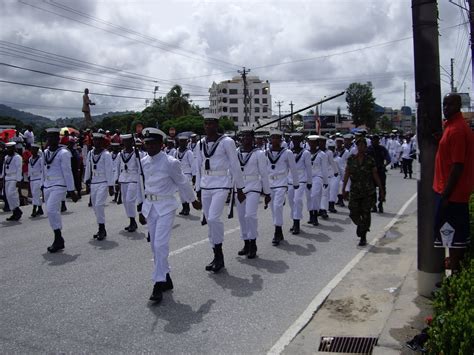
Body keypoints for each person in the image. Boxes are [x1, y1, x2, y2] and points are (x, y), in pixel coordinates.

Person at [140, 127, 201, 303]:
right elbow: (143, 185)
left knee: (160, 244)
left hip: (166, 206)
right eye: (147, 144)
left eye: (153, 143)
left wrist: (192, 200)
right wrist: (141, 209)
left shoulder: (171, 162)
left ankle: (158, 283)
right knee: (154, 246)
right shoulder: (143, 161)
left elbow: (183, 182)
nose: (149, 147)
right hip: (150, 207)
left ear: (161, 144)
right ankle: (166, 278)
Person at [194, 115, 245, 273]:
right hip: (206, 184)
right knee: (210, 221)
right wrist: (197, 189)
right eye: (206, 123)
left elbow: (235, 165)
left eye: (211, 123)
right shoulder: (199, 143)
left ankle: (220, 253)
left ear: (217, 125)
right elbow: (198, 167)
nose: (208, 126)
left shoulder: (227, 142)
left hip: (222, 184)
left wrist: (240, 187)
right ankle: (216, 254)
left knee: (214, 218)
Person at [433, 93, 474, 273]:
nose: (445, 108)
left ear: (458, 106)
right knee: (449, 235)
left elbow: (457, 166)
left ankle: (455, 274)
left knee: (454, 236)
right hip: (449, 192)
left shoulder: (457, 130)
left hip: (452, 195)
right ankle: (453, 269)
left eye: (449, 105)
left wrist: (446, 196)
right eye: (444, 104)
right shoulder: (451, 127)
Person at [342, 138, 385, 246]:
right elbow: (347, 174)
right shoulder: (351, 159)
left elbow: (375, 175)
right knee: (353, 211)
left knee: (366, 214)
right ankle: (360, 225)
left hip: (368, 192)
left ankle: (363, 237)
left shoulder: (370, 159)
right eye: (359, 145)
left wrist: (381, 189)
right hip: (355, 191)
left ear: (366, 147)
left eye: (363, 145)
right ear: (356, 147)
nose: (361, 147)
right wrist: (343, 189)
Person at [236, 129, 271, 258]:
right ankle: (246, 242)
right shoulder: (236, 152)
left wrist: (267, 193)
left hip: (254, 186)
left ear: (253, 138)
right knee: (241, 217)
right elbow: (233, 171)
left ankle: (253, 242)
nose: (245, 139)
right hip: (240, 187)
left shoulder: (259, 154)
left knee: (250, 215)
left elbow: (264, 174)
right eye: (243, 136)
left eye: (248, 136)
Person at [42, 128, 78, 253]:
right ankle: (58, 238)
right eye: (48, 137)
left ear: (58, 139)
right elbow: (44, 170)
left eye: (53, 137)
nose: (50, 140)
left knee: (52, 210)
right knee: (50, 211)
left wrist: (71, 190)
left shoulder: (64, 153)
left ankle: (58, 238)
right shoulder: (45, 152)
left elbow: (68, 172)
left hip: (59, 184)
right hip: (48, 185)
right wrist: (43, 184)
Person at [266, 130, 299, 245]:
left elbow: (293, 169)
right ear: (270, 140)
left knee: (277, 206)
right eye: (273, 138)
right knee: (272, 208)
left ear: (281, 140)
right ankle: (279, 229)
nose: (275, 140)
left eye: (277, 138)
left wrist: (295, 183)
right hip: (270, 183)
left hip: (281, 182)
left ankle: (277, 231)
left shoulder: (287, 152)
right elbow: (263, 170)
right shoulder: (265, 152)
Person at [83, 132, 115, 240]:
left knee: (99, 205)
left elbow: (109, 170)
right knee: (95, 207)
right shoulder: (90, 153)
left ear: (102, 142)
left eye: (98, 140)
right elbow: (88, 167)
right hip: (94, 182)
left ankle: (102, 228)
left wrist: (111, 186)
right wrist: (86, 180)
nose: (96, 142)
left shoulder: (106, 154)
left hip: (103, 181)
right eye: (95, 140)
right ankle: (100, 227)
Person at [115, 134, 141, 232]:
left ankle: (133, 220)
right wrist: (116, 181)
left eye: (128, 141)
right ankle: (131, 220)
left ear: (132, 141)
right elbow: (117, 168)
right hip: (123, 179)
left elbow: (140, 168)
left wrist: (142, 181)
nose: (126, 143)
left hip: (134, 179)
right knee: (125, 201)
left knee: (130, 200)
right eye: (124, 141)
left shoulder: (137, 153)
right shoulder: (120, 154)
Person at [287, 133, 311, 235]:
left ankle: (297, 223)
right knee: (291, 202)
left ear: (301, 141)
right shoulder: (288, 152)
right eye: (294, 140)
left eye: (297, 140)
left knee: (297, 200)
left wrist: (309, 181)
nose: (295, 141)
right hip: (290, 179)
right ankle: (294, 221)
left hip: (301, 180)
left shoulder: (305, 153)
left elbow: (308, 168)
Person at [307, 135, 328, 226]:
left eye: (314, 142)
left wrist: (325, 181)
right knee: (309, 197)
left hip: (317, 177)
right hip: (307, 178)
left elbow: (324, 169)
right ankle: (311, 215)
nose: (312, 144)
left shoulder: (322, 154)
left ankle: (315, 215)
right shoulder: (305, 153)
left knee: (315, 195)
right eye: (310, 142)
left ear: (317, 143)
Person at [367, 135, 391, 213]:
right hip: (371, 172)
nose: (375, 142)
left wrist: (384, 165)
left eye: (376, 140)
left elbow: (388, 159)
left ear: (379, 141)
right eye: (374, 140)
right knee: (371, 189)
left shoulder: (382, 149)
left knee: (382, 188)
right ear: (371, 141)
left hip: (380, 171)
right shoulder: (368, 149)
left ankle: (380, 204)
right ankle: (373, 205)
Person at [0, 142, 23, 221]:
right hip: (7, 178)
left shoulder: (17, 157)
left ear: (14, 148)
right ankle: (14, 212)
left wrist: (18, 180)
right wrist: (2, 177)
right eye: (8, 148)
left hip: (14, 178)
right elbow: (4, 168)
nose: (8, 150)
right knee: (8, 196)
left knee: (12, 195)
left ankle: (17, 211)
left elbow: (19, 169)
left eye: (10, 148)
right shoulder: (6, 157)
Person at [174, 136, 195, 216]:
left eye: (184, 141)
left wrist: (194, 176)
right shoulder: (176, 151)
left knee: (186, 192)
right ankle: (184, 207)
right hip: (179, 174)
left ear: (186, 142)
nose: (182, 143)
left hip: (187, 174)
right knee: (181, 193)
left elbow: (192, 164)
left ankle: (187, 208)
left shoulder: (189, 152)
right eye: (181, 141)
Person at [28, 144, 44, 217]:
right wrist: (29, 176)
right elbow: (29, 168)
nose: (32, 151)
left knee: (35, 194)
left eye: (33, 149)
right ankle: (40, 209)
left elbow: (43, 170)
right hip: (32, 179)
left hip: (38, 178)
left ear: (37, 150)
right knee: (35, 194)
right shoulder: (30, 159)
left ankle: (34, 209)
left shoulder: (40, 159)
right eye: (31, 149)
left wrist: (43, 180)